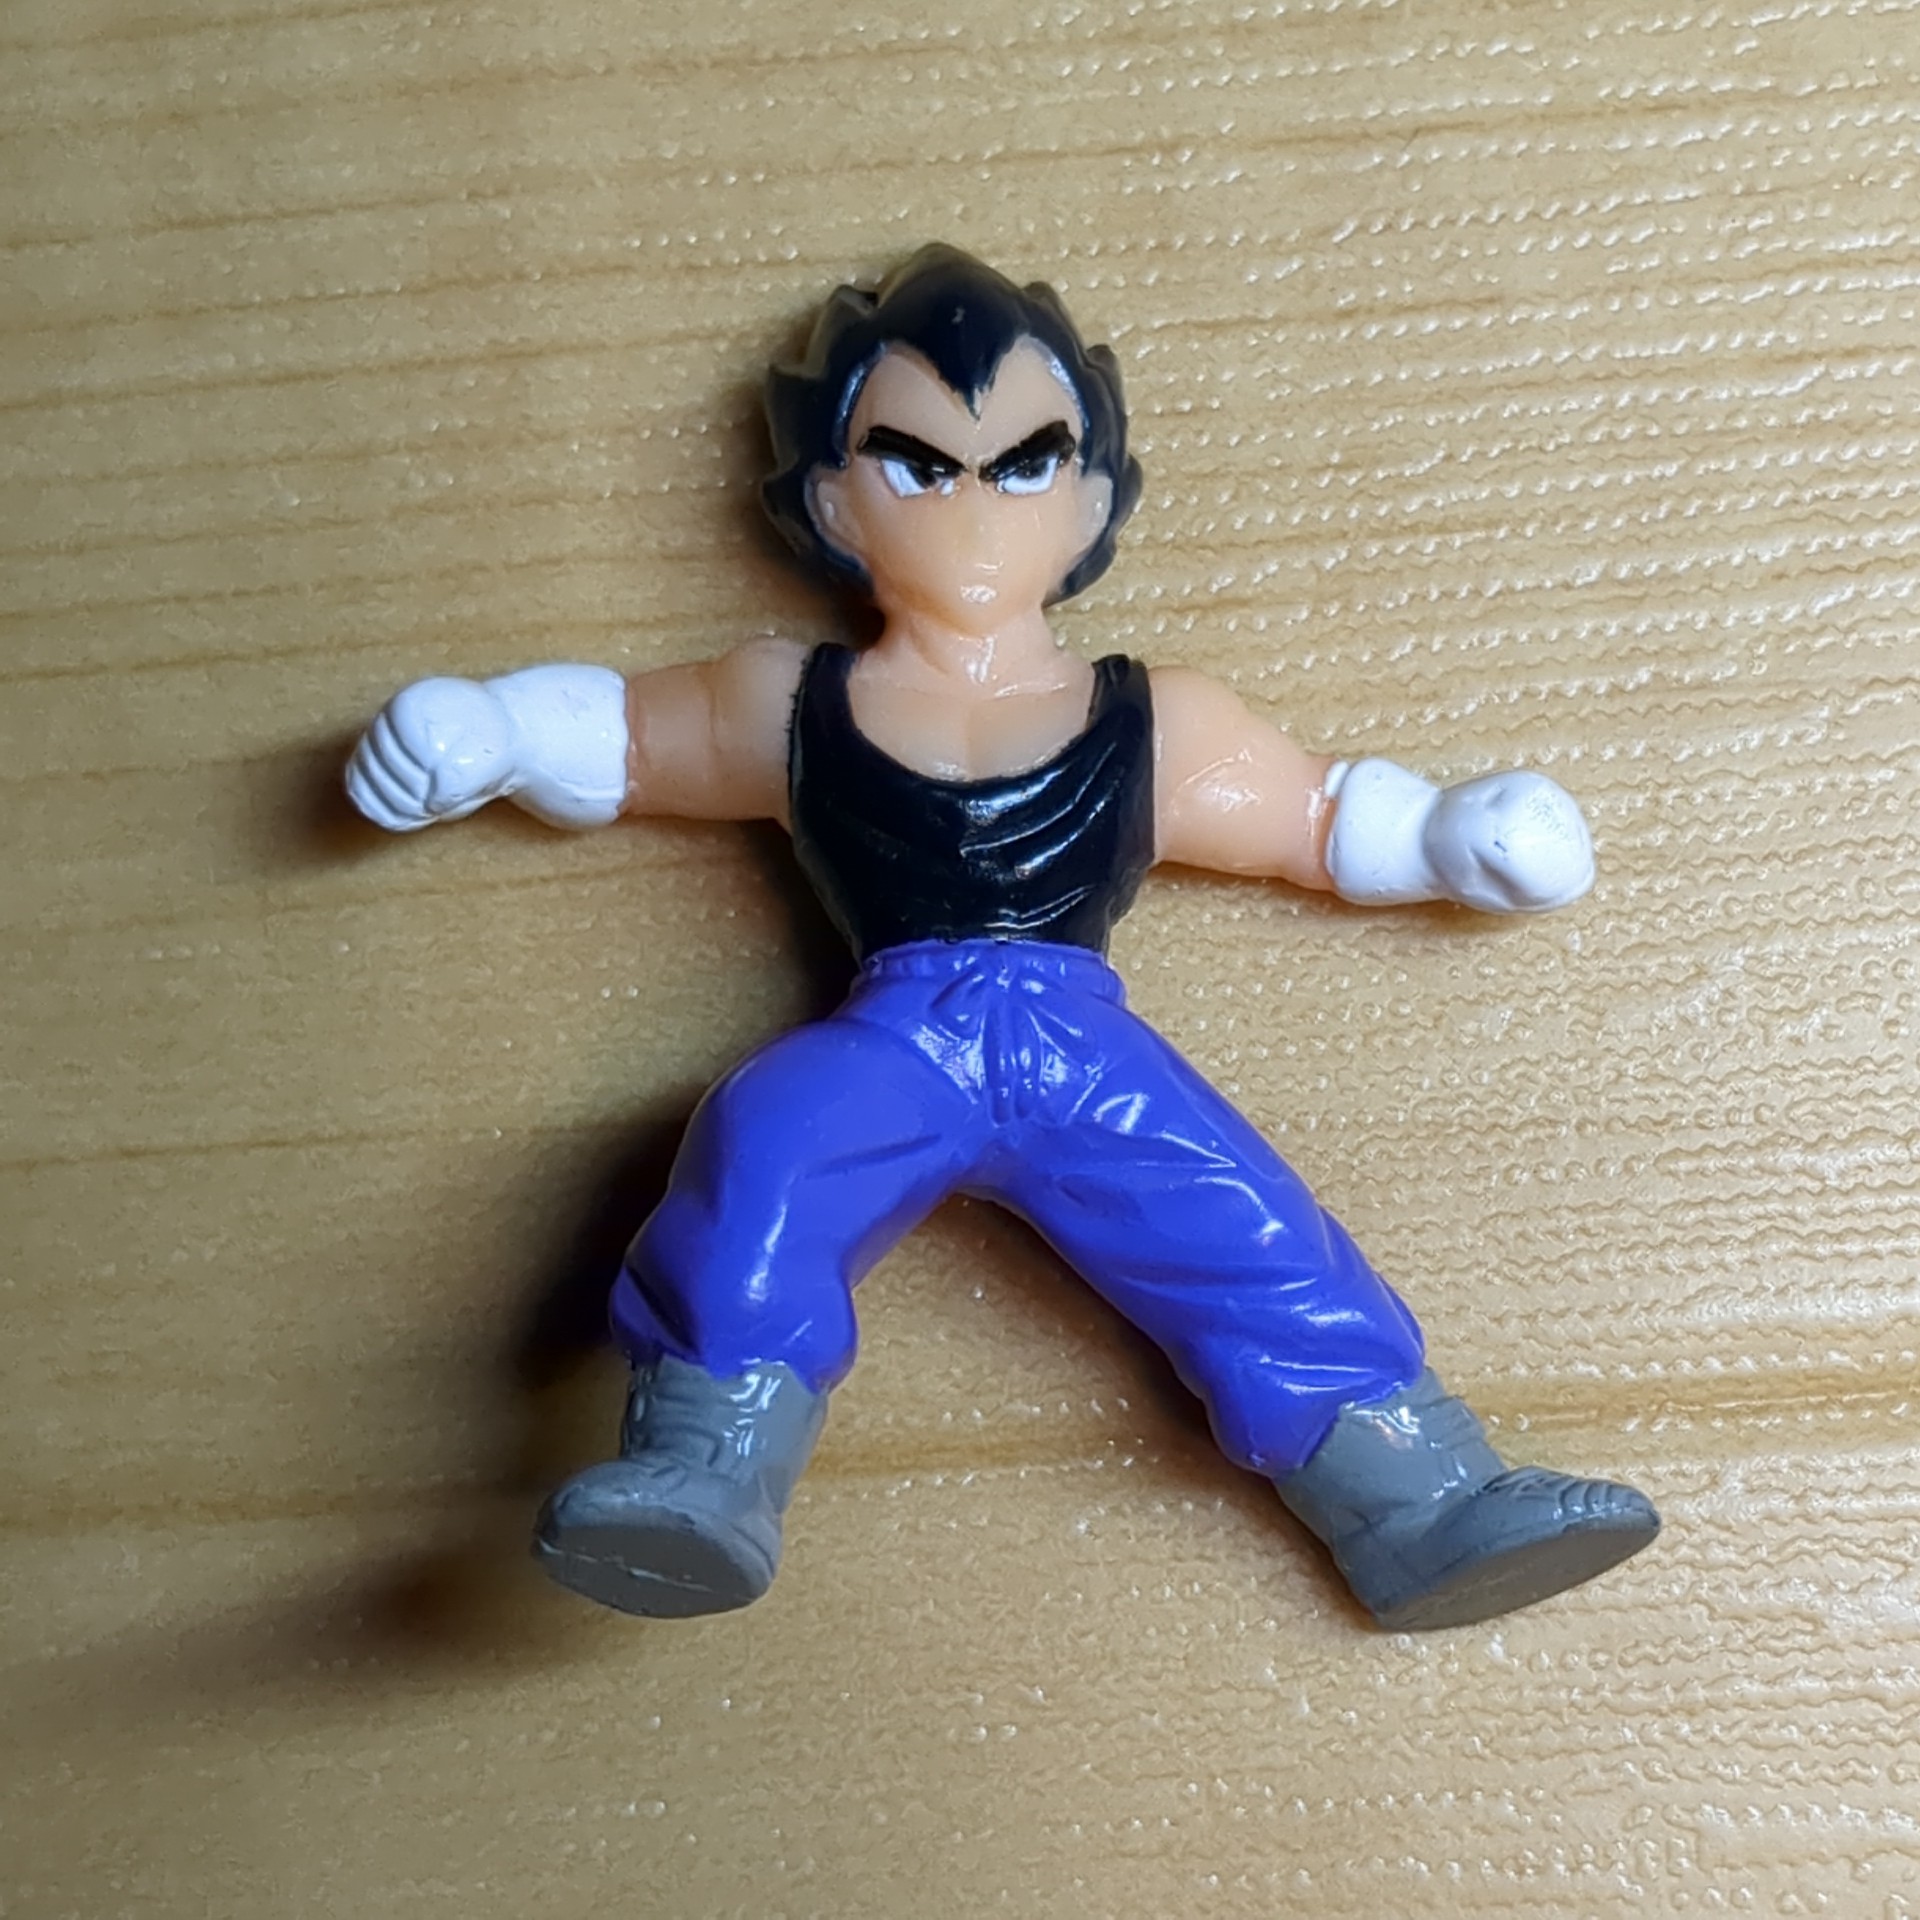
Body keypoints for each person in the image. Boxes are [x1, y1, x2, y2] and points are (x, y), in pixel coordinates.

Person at [346, 245, 1658, 1631]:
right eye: (917, 464)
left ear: (1093, 497)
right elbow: (620, 735)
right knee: (765, 1149)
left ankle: (1421, 1500)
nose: (973, 502)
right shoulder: (791, 704)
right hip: (897, 1036)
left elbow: (1316, 814)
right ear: (828, 499)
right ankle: (704, 1467)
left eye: (1026, 462)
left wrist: (1457, 832)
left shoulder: (1151, 717)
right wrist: (484, 732)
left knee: (1241, 1222)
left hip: (1078, 1044)